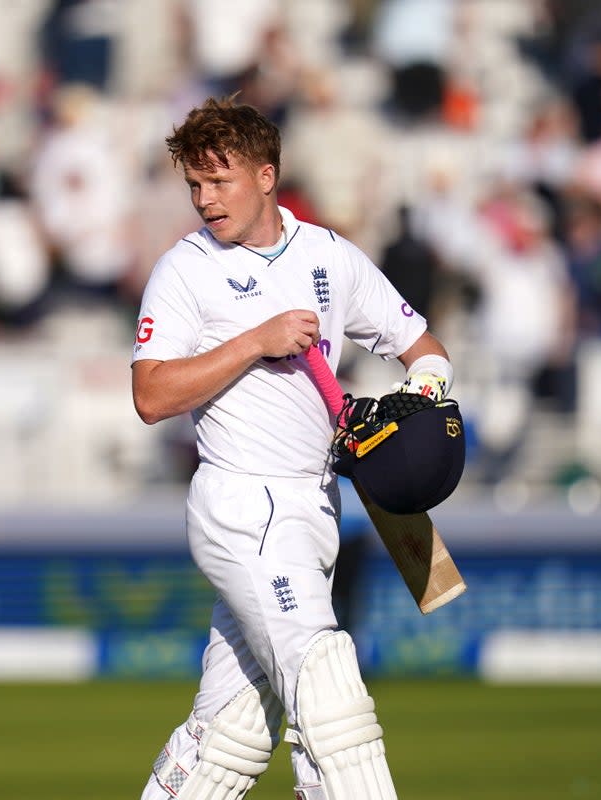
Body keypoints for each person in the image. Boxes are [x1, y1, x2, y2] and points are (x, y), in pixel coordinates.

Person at [131, 96, 454, 799]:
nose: (204, 200)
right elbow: (151, 395)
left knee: (229, 736)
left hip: (316, 503)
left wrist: (414, 402)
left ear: (267, 176)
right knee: (329, 695)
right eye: (194, 185)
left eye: (220, 182)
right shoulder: (185, 270)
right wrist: (255, 341)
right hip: (243, 503)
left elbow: (424, 350)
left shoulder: (328, 255)